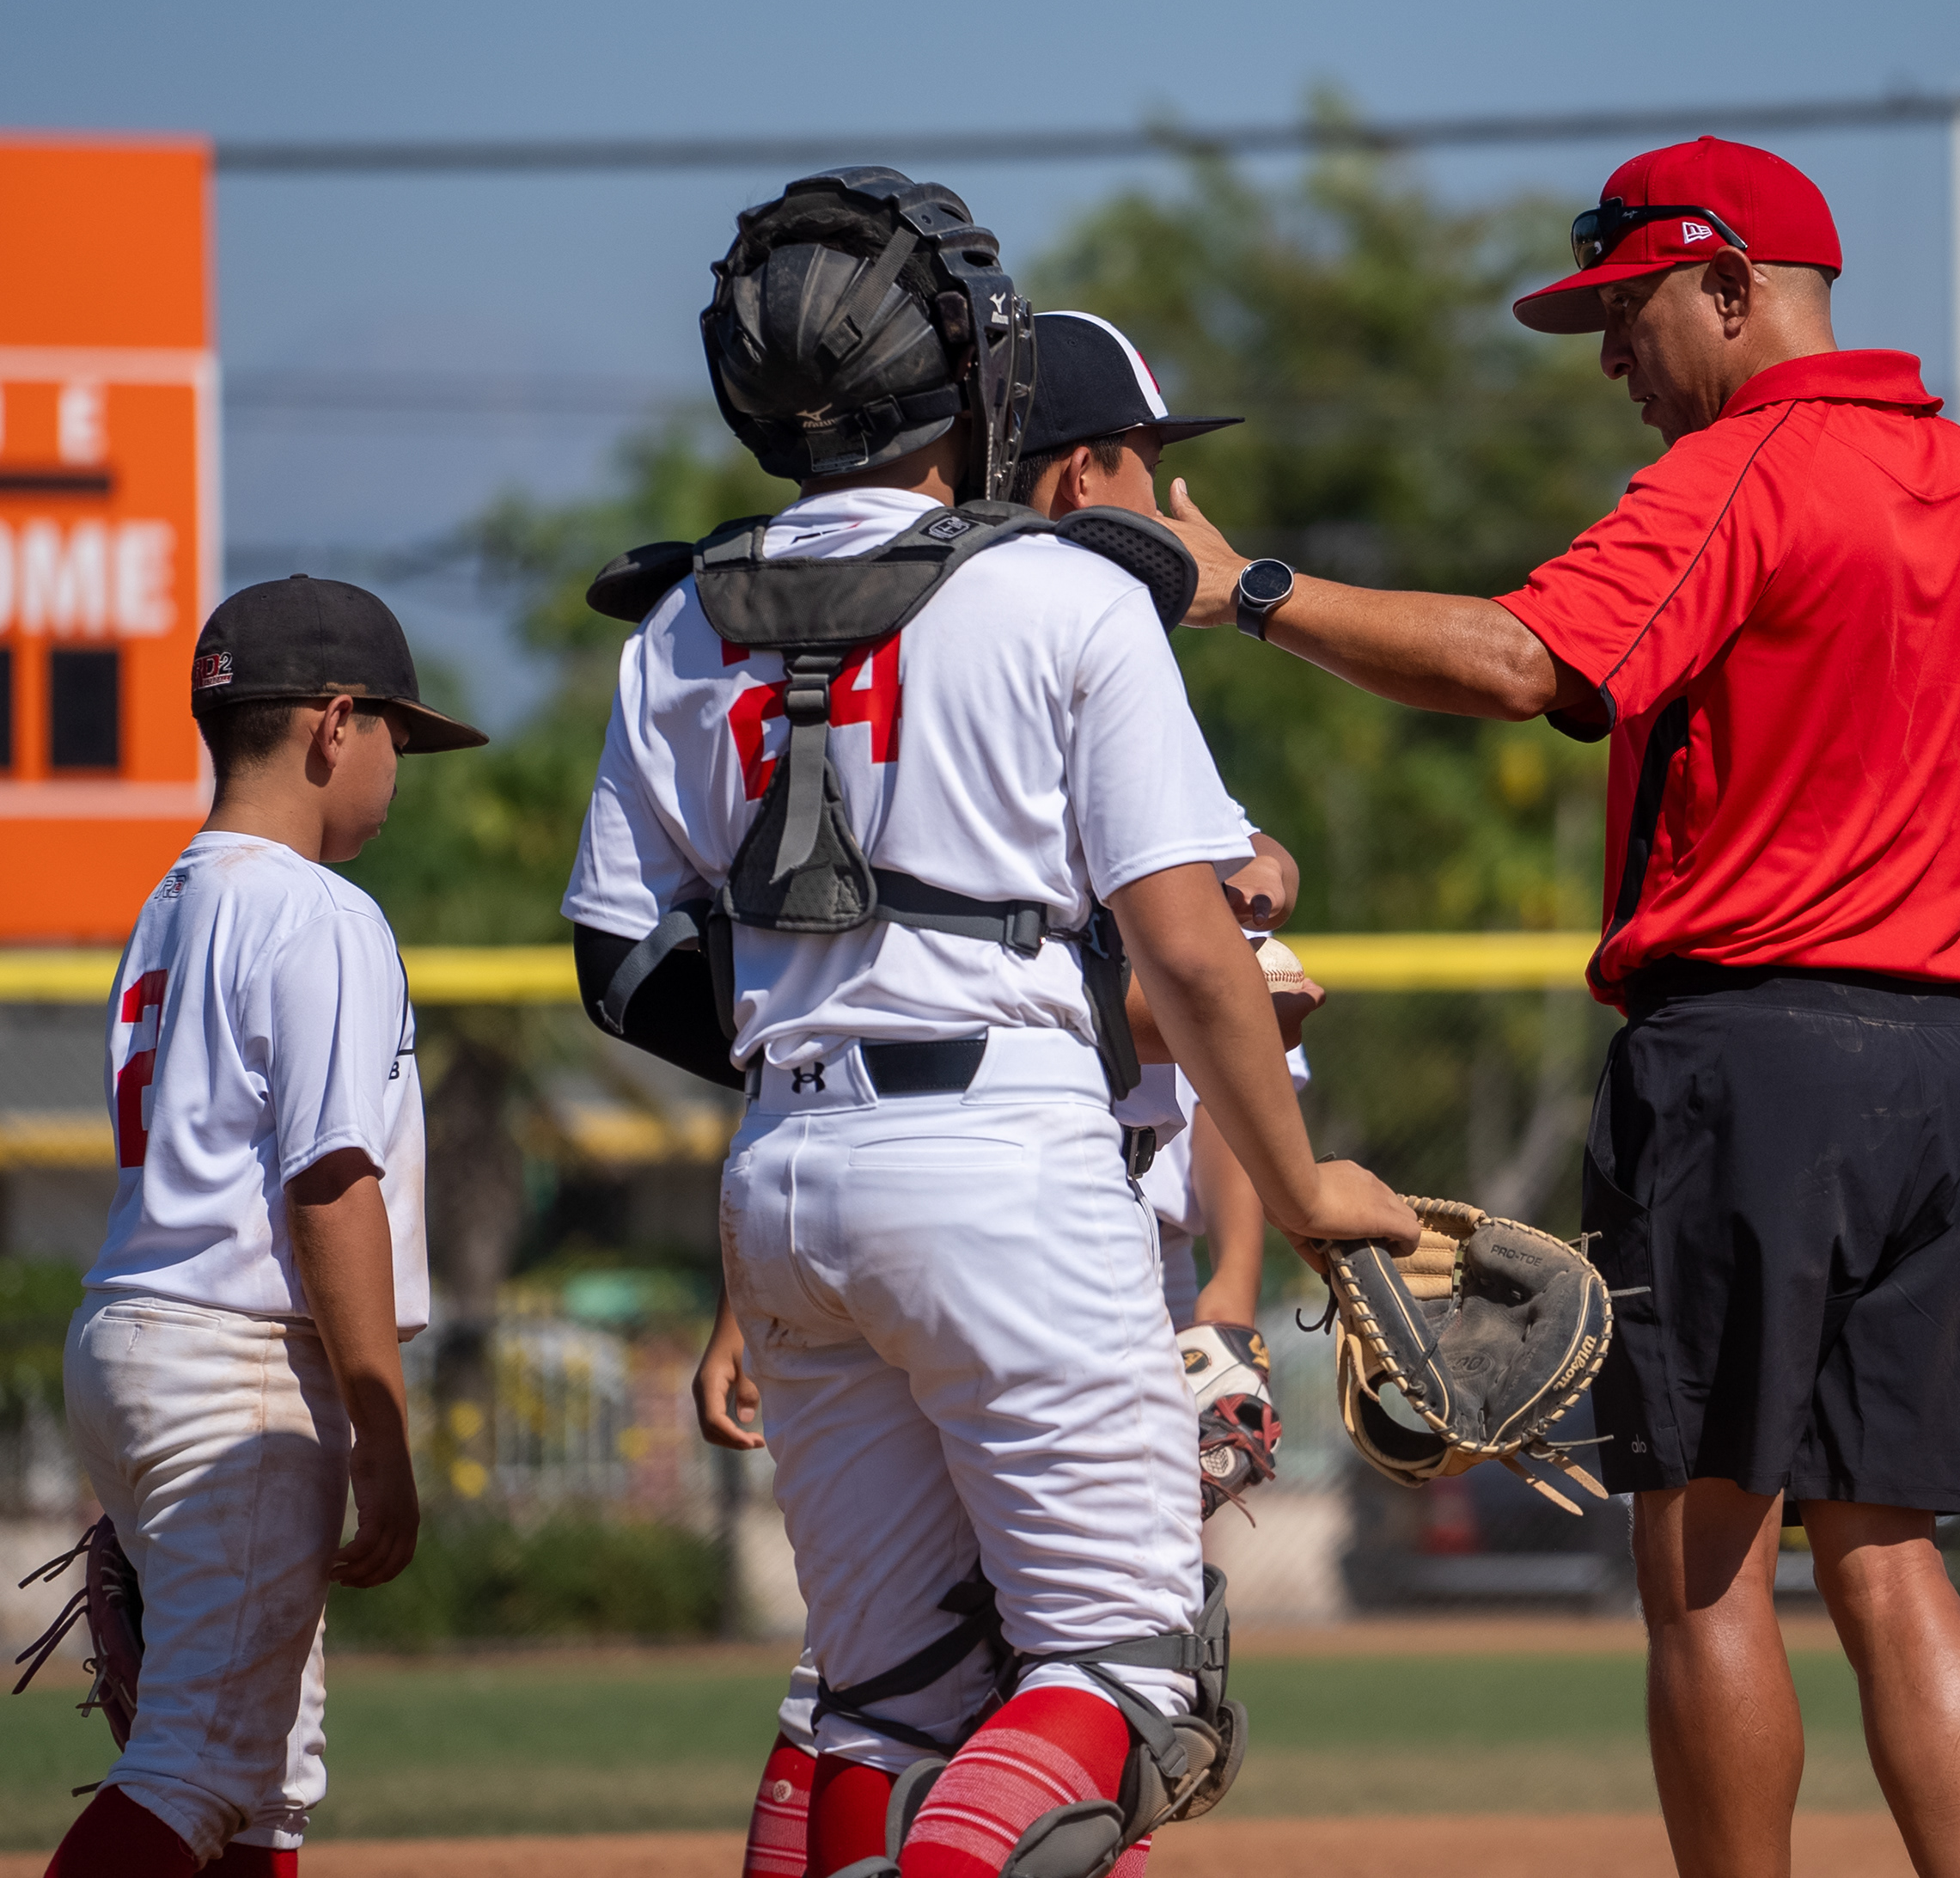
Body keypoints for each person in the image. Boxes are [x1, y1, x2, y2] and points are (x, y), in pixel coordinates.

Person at [1158, 137, 1960, 1878]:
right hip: (1931, 1068)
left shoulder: (1740, 468)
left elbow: (1526, 660)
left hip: (1746, 1059)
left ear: (1731, 285)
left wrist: (1248, 590)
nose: (1610, 358)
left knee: (1701, 1560)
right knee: (1889, 1555)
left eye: (1627, 309)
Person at [566, 175, 1414, 1878]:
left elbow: (616, 954)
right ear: (971, 371)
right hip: (1008, 1166)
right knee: (1123, 1673)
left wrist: (825, 1020)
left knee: (882, 1700)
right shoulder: (1062, 595)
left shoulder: (682, 618)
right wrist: (1306, 1188)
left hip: (787, 1172)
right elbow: (1190, 950)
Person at [696, 305, 1308, 1878]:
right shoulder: (1070, 632)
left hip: (818, 1186)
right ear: (1075, 473)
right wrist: (1257, 1277)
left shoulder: (760, 629)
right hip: (1030, 1229)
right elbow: (1215, 998)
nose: (1169, 506)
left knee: (878, 1691)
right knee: (1117, 1673)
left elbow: (758, 981)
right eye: (1146, 466)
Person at [50, 577, 485, 1876]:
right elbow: (329, 1179)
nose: (398, 768)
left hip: (130, 1336)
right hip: (234, 1361)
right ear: (333, 724)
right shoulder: (317, 909)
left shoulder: (173, 901)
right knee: (203, 1764)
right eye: (396, 733)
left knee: (265, 1775)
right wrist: (381, 1425)